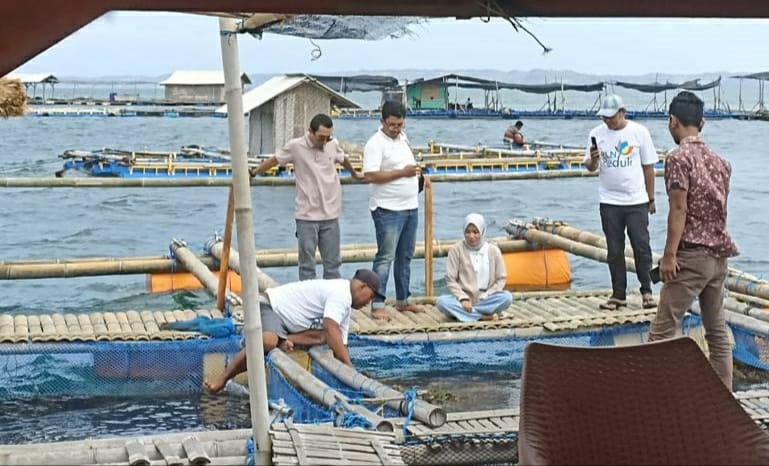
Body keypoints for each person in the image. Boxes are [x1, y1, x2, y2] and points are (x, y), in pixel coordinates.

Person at [647, 91, 738, 389]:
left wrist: (669, 256)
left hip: (691, 256)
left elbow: (679, 208)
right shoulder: (721, 162)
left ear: (672, 121)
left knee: (661, 331)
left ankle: (655, 396)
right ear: (701, 123)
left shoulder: (678, 158)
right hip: (718, 258)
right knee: (717, 333)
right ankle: (724, 398)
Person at [204, 269, 383, 394]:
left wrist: (350, 374)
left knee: (327, 337)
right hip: (271, 307)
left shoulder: (345, 308)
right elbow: (330, 326)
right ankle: (224, 379)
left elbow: (339, 345)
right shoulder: (341, 293)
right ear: (363, 287)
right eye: (371, 297)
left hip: (289, 325)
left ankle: (285, 339)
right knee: (268, 342)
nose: (369, 303)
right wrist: (351, 369)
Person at [250, 114, 364, 281]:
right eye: (320, 137)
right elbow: (275, 160)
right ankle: (307, 302)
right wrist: (254, 172)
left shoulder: (333, 144)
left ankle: (331, 300)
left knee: (333, 263)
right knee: (306, 264)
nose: (324, 141)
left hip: (331, 214)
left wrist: (355, 174)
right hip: (307, 215)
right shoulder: (296, 146)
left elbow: (343, 158)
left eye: (327, 137)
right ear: (310, 132)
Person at [584, 94, 658, 310]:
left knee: (641, 247)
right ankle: (618, 294)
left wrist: (650, 198)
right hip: (609, 200)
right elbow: (589, 166)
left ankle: (647, 290)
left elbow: (648, 168)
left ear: (622, 113)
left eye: (612, 117)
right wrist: (593, 160)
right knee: (614, 250)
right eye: (604, 117)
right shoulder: (596, 134)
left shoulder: (639, 132)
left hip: (636, 200)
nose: (608, 121)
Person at [363, 100, 427, 320]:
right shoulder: (375, 143)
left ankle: (403, 299)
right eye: (392, 125)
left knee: (405, 256)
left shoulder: (403, 139)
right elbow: (370, 175)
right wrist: (402, 173)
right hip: (387, 209)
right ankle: (377, 302)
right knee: (385, 256)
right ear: (382, 121)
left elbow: (408, 169)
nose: (396, 129)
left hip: (410, 206)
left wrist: (418, 178)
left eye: (400, 124)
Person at [436, 213, 512, 322]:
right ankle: (481, 316)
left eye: (475, 232)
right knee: (441, 302)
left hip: (486, 299)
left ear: (482, 231)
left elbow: (501, 279)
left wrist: (487, 294)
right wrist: (463, 298)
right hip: (464, 300)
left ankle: (467, 314)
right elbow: (450, 279)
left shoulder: (493, 250)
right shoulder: (456, 250)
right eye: (468, 232)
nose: (471, 236)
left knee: (507, 298)